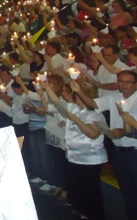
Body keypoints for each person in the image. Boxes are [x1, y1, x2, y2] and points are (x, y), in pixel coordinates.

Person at [71, 70, 137, 220]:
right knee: (127, 192)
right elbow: (93, 103)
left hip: (134, 150)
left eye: (128, 82)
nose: (124, 85)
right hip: (119, 151)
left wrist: (124, 132)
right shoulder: (114, 97)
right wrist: (79, 91)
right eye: (121, 81)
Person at [45, 80, 107, 220]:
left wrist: (77, 120)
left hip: (90, 159)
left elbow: (93, 134)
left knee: (91, 192)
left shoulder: (94, 114)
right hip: (73, 157)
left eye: (75, 95)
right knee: (77, 190)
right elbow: (56, 102)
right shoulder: (73, 109)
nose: (72, 97)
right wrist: (45, 87)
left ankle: (95, 215)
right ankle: (82, 213)